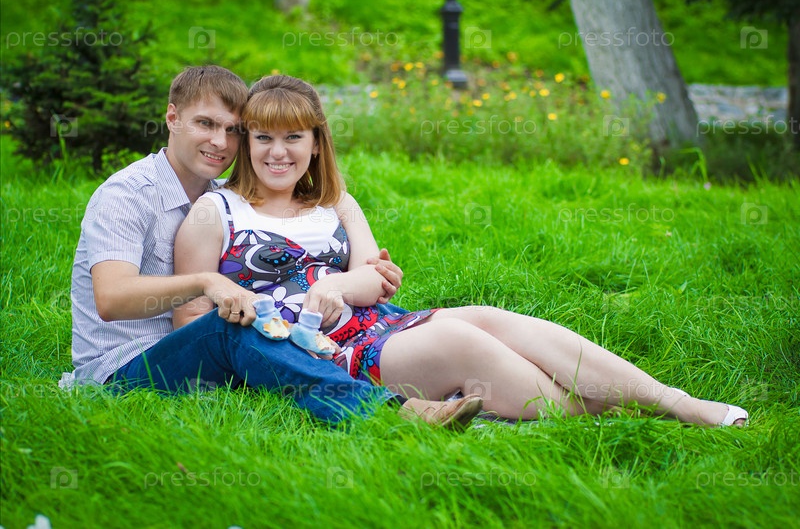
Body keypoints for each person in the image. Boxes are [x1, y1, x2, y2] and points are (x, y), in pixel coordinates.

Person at [173, 74, 749, 427]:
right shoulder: (216, 212)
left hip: (377, 323)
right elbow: (195, 327)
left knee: (488, 317)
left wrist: (334, 285)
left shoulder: (335, 203)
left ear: (317, 143)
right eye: (264, 137)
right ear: (247, 141)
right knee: (457, 340)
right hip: (321, 357)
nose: (278, 152)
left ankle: (671, 401)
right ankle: (604, 409)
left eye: (294, 137)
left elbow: (374, 278)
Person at [66, 65, 484, 428]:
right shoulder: (127, 194)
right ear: (172, 118)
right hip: (124, 369)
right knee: (228, 328)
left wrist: (366, 276)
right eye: (205, 124)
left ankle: (458, 374)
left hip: (201, 354)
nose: (220, 142)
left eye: (233, 130)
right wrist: (207, 282)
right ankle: (390, 411)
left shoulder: (219, 196)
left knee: (252, 322)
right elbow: (111, 299)